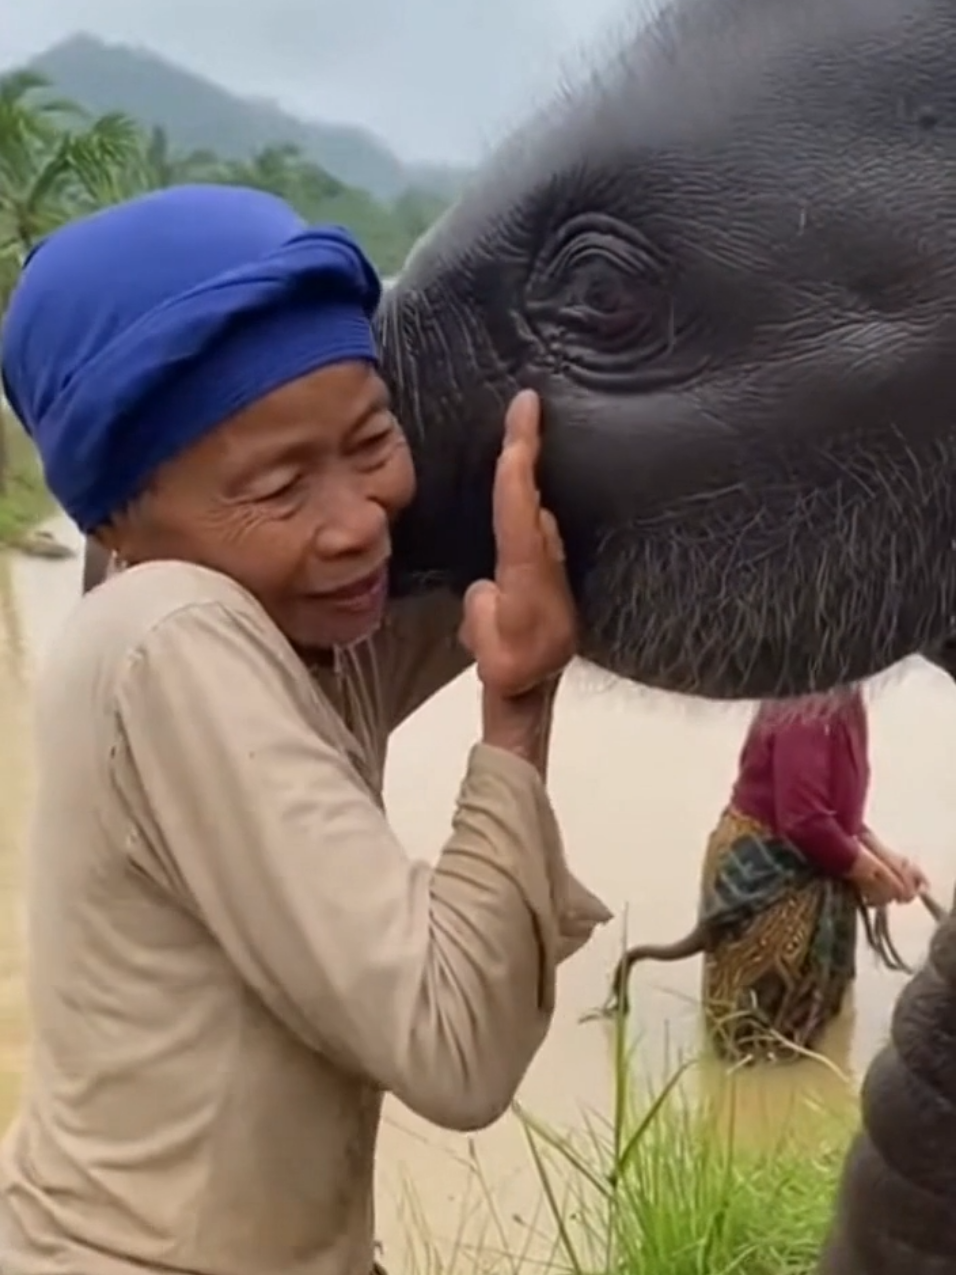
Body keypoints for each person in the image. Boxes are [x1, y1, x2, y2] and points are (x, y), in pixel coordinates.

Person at [0, 184, 611, 1275]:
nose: (357, 522)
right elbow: (454, 1048)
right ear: (115, 527)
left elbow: (504, 567)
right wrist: (513, 711)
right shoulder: (169, 633)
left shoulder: (301, 621)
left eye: (371, 440)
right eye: (279, 489)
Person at [606, 690, 936, 1061]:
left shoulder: (845, 691)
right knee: (756, 1047)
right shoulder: (807, 694)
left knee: (815, 1033)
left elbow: (836, 808)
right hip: (767, 877)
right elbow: (805, 820)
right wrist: (870, 874)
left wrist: (885, 858)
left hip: (815, 859)